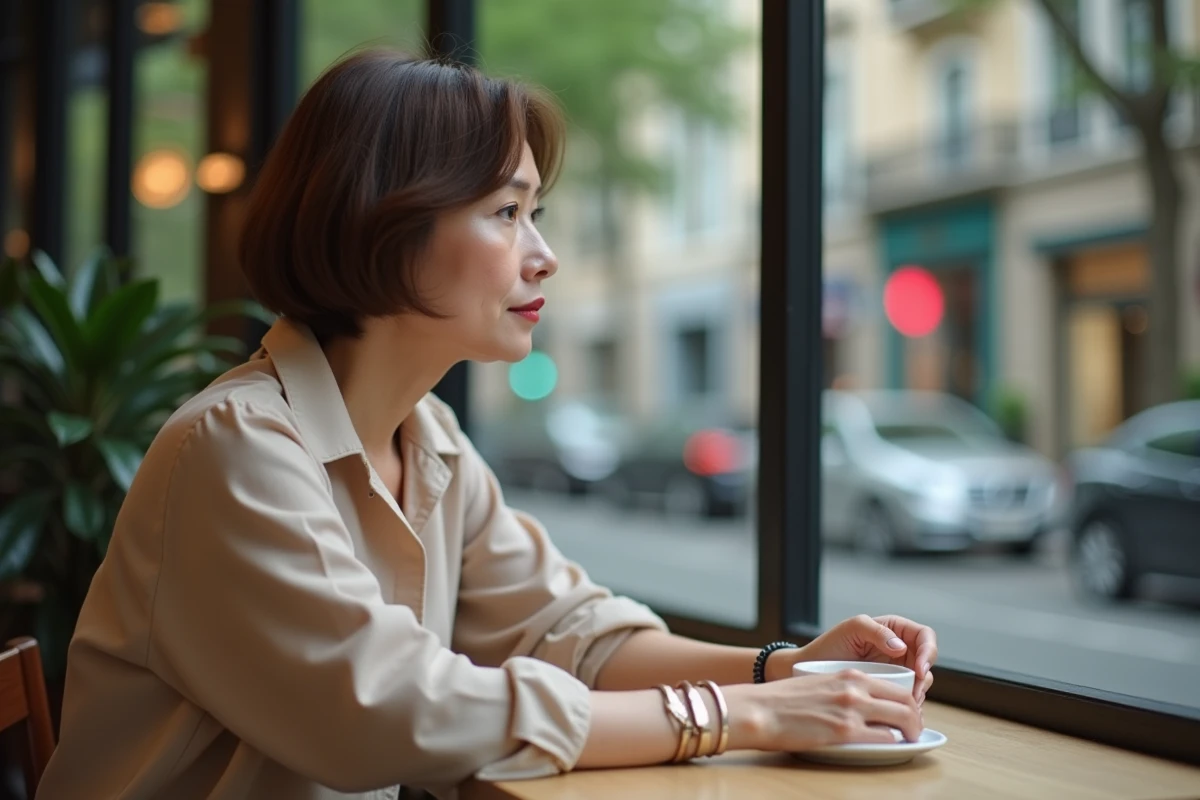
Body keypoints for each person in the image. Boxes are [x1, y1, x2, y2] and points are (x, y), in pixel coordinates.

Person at [37, 51, 937, 800]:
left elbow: (568, 631)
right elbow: (393, 711)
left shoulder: (427, 441)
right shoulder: (233, 450)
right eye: (506, 212)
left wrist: (779, 671)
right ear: (380, 224)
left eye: (533, 213)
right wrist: (737, 718)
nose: (543, 253)